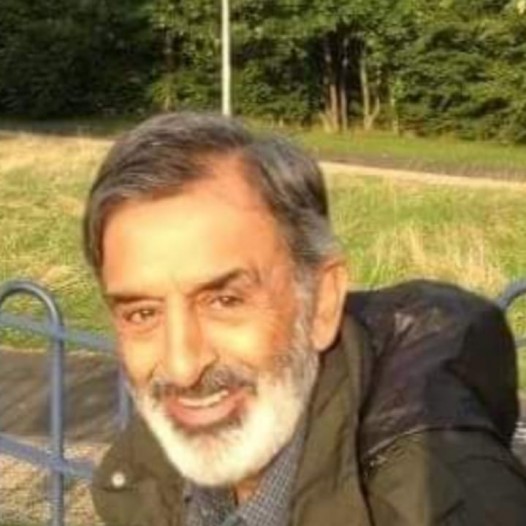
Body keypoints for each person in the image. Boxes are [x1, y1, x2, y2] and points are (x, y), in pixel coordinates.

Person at [84, 112, 526, 526]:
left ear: (321, 303)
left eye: (225, 301)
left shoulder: (448, 504)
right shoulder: (148, 471)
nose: (182, 367)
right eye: (143, 313)